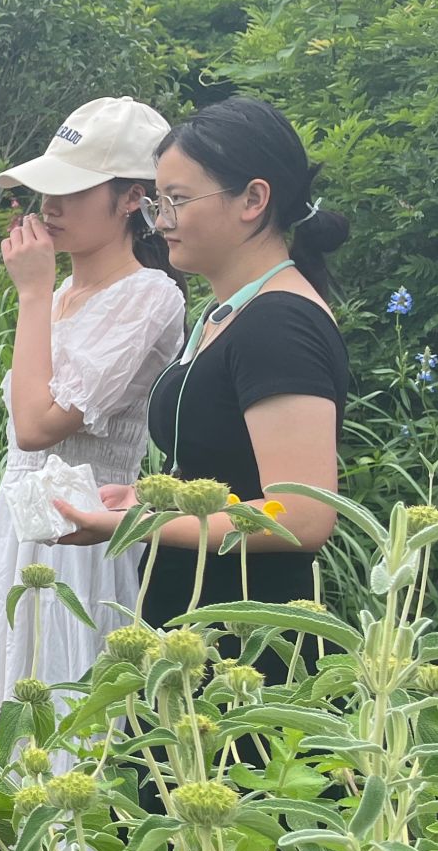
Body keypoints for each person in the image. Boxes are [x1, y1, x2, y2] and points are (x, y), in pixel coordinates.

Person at [0, 97, 187, 780]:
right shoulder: (61, 297)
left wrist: (30, 293)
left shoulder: (150, 297)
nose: (48, 206)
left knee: (68, 721)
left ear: (131, 198)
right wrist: (42, 295)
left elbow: (37, 425)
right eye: (44, 190)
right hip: (19, 527)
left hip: (83, 534)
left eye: (72, 190)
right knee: (9, 710)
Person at [57, 97, 351, 631]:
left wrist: (140, 525)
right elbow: (230, 472)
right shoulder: (230, 312)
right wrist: (151, 498)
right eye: (158, 203)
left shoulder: (279, 325)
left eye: (178, 200)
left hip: (246, 640)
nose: (160, 222)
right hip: (193, 625)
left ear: (253, 199)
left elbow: (302, 515)